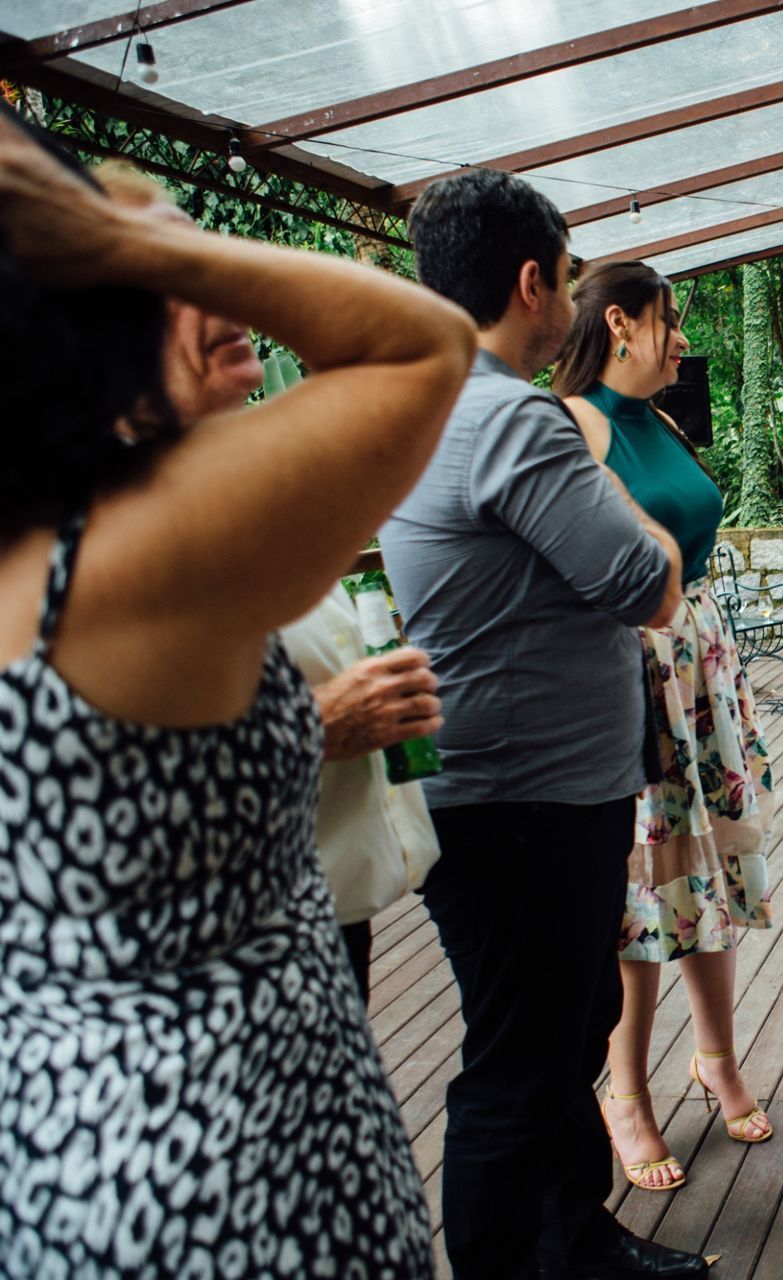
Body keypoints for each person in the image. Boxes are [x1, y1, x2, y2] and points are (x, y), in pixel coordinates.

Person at [0, 119, 473, 1275]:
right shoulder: (119, 552)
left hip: (49, 1157)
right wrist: (124, 238)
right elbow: (423, 345)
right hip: (234, 1147)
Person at [379, 173, 708, 1278]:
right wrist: (648, 525)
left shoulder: (423, 400)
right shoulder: (513, 416)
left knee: (566, 1030)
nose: (569, 299)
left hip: (521, 789)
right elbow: (644, 580)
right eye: (566, 274)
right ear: (534, 282)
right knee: (521, 1061)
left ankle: (580, 1239)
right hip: (522, 801)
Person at [92, 162, 447, 1003]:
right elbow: (421, 347)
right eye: (178, 277)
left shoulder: (228, 487)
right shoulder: (77, 534)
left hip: (315, 913)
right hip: (204, 979)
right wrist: (316, 724)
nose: (231, 296)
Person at [555, 260, 777, 1194]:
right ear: (619, 323)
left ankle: (716, 1056)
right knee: (646, 884)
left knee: (711, 868)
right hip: (633, 665)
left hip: (698, 657)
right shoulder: (576, 422)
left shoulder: (666, 419)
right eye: (667, 321)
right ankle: (628, 1090)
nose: (680, 338)